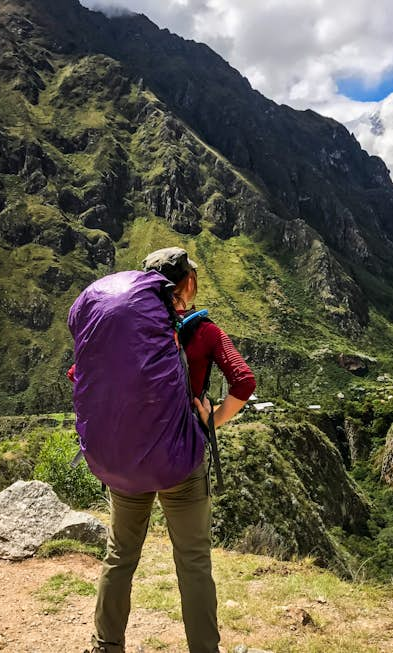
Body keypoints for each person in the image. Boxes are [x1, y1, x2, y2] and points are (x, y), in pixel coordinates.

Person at [85, 247, 256, 653]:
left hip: (126, 463)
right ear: (189, 284)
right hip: (181, 463)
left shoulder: (121, 332)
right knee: (193, 562)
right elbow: (244, 382)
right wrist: (209, 420)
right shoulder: (204, 331)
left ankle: (105, 647)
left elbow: (79, 375)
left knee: (119, 556)